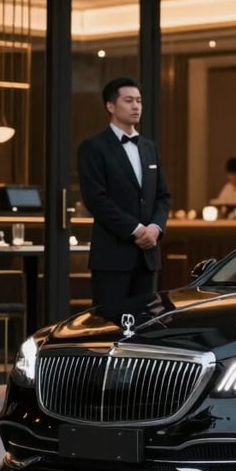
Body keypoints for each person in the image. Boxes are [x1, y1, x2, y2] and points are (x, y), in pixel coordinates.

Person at [78, 77, 171, 309]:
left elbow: (163, 196)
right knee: (109, 325)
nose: (136, 106)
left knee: (144, 327)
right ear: (110, 106)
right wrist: (136, 229)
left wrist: (155, 228)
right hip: (112, 257)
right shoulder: (93, 147)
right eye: (128, 101)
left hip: (147, 257)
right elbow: (96, 199)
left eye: (139, 101)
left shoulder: (149, 147)